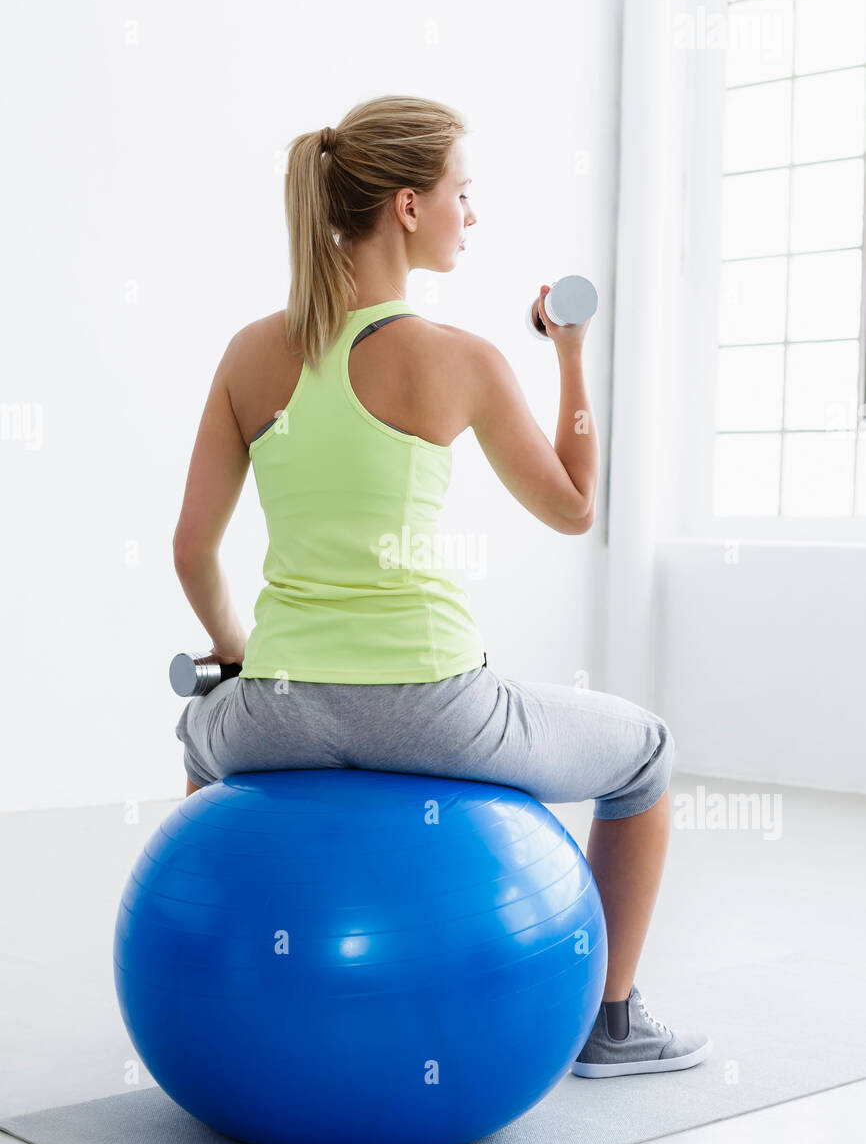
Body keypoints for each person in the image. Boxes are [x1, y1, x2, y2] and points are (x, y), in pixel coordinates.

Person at [172, 93, 710, 1078]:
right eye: (466, 192)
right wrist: (570, 359)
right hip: (429, 706)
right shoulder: (461, 360)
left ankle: (244, 978)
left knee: (198, 741)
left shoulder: (249, 353)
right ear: (410, 207)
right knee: (645, 756)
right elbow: (572, 507)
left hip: (278, 710)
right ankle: (612, 1024)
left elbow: (190, 552)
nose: (475, 213)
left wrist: (240, 655)